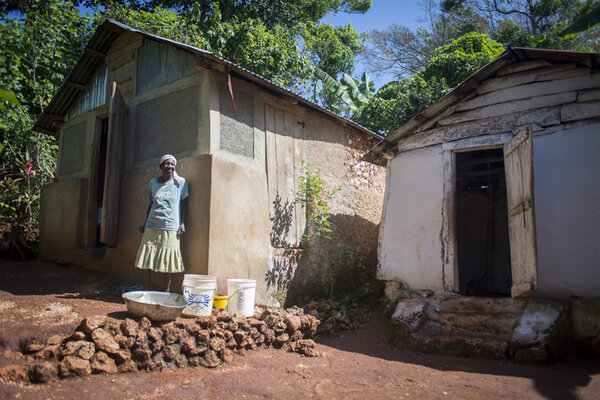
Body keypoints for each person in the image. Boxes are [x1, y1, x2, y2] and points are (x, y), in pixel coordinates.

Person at [135, 154, 189, 292]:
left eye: (172, 164)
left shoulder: (180, 183)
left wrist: (182, 223)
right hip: (152, 225)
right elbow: (150, 204)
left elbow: (184, 204)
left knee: (169, 262)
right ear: (160, 167)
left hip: (171, 227)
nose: (169, 167)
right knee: (146, 260)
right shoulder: (153, 183)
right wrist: (145, 222)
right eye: (166, 164)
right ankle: (146, 291)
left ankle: (166, 293)